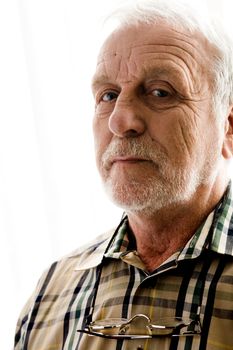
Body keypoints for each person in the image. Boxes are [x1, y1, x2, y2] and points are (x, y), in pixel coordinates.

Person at [14, 0, 233, 349]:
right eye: (108, 95)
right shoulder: (48, 298)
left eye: (161, 92)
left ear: (228, 127)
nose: (120, 121)